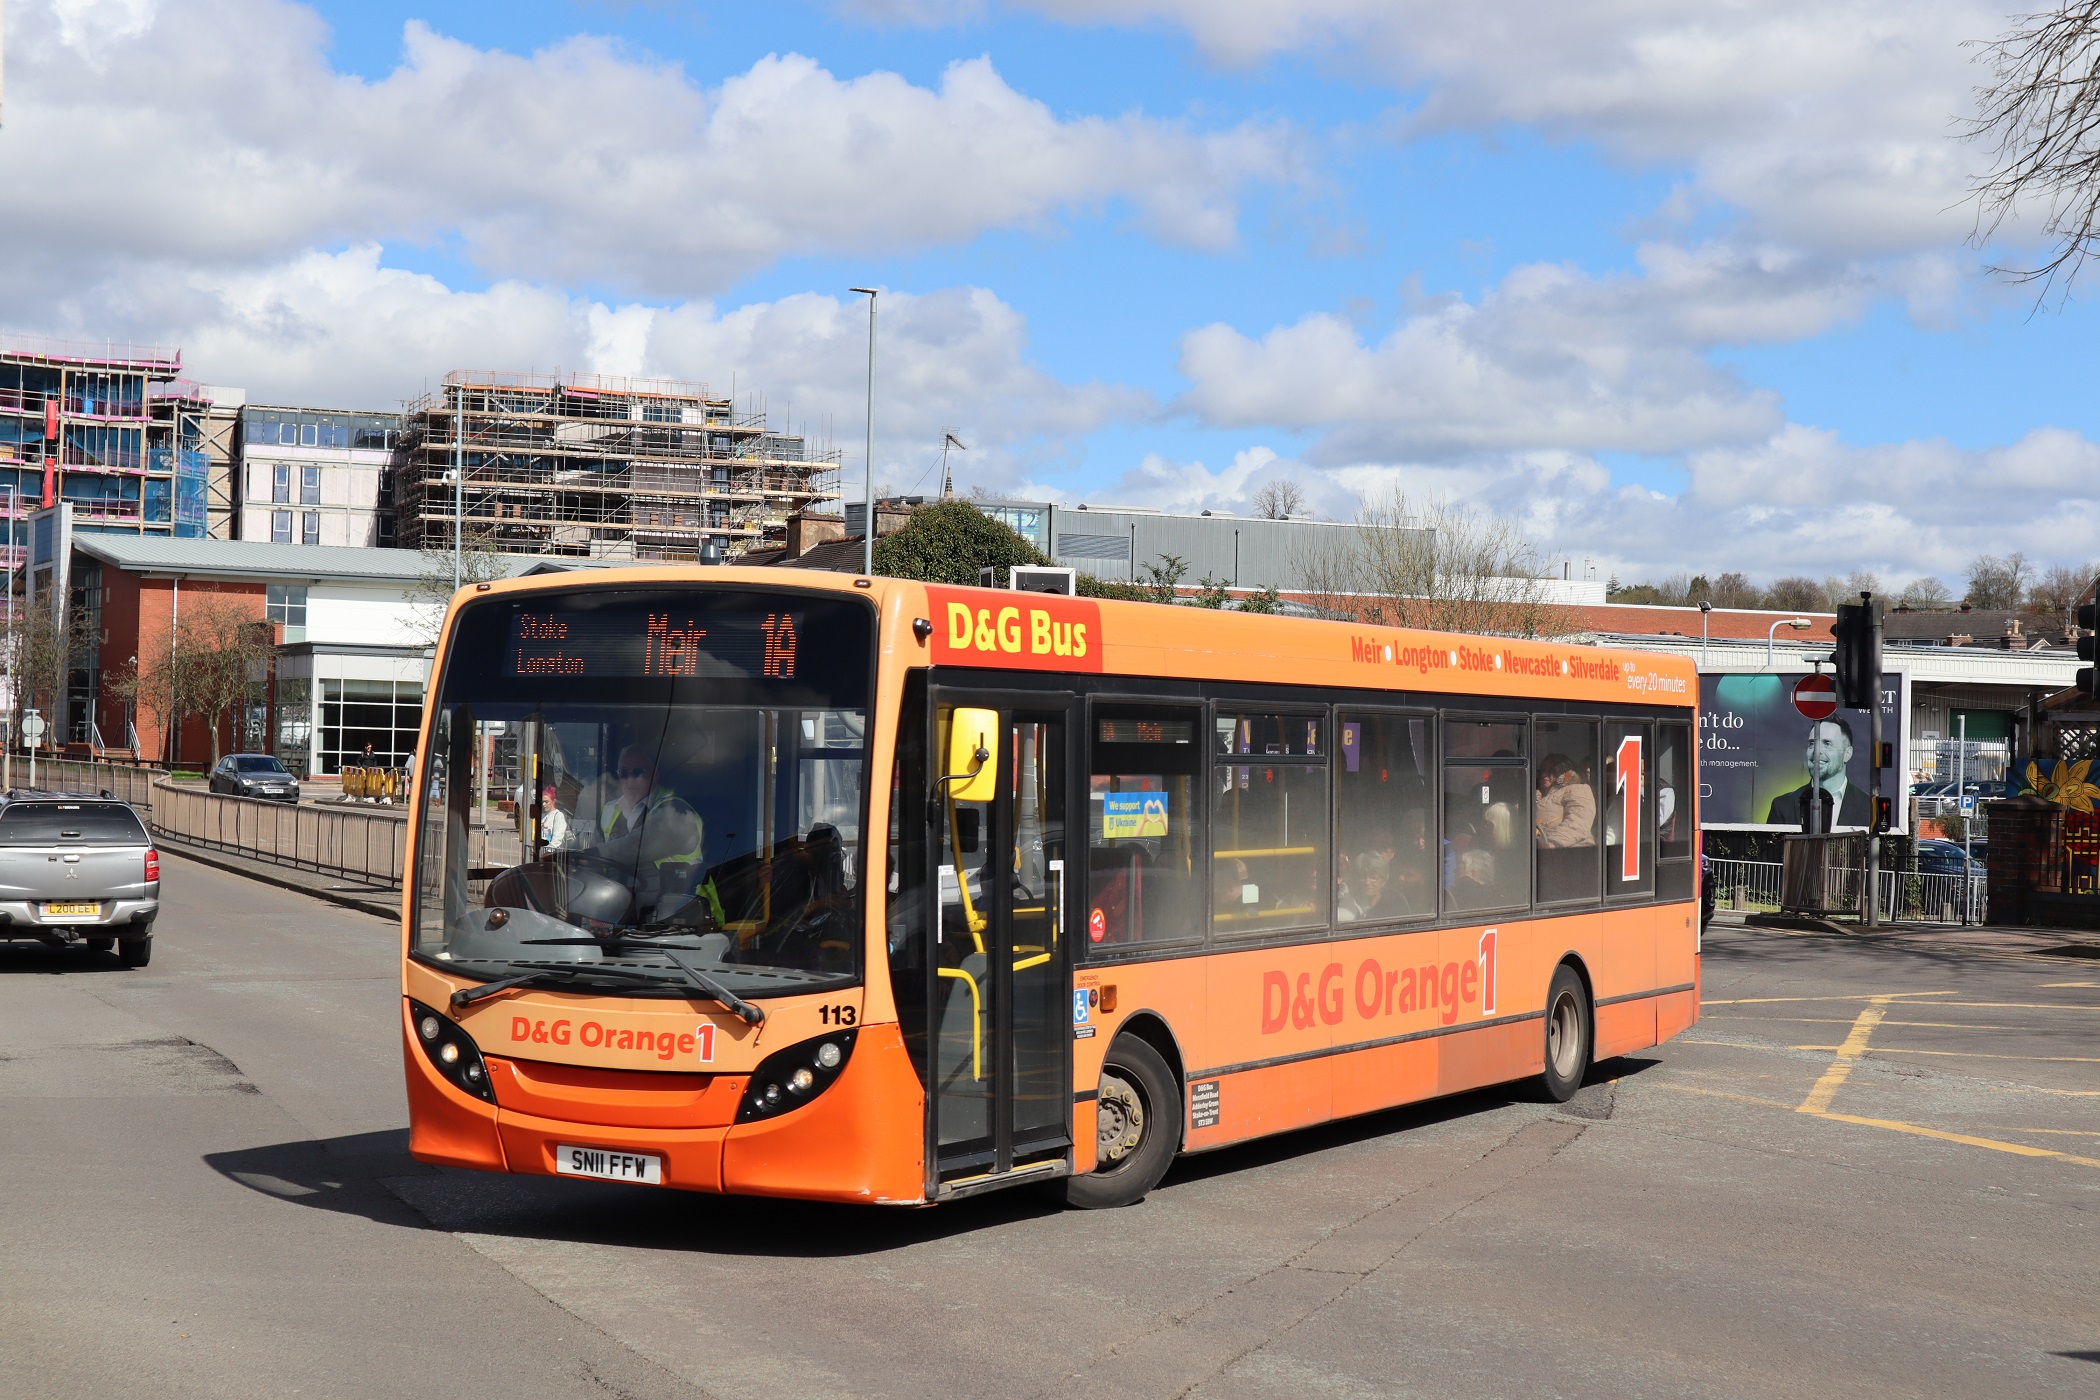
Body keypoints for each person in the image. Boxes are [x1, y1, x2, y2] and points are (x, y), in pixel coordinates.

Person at [588, 745, 705, 909]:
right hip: (617, 916)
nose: (629, 780)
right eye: (623, 773)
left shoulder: (677, 811)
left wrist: (596, 853)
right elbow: (594, 866)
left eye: (637, 772)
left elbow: (640, 845)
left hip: (677, 917)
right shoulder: (609, 810)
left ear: (654, 775)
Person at [1765, 717, 1871, 830]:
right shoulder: (1783, 806)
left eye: (1827, 743)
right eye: (1812, 743)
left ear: (1847, 754)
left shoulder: (1869, 808)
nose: (1816, 750)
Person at [1535, 754, 1597, 847]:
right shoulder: (1534, 795)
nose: (1544, 774)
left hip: (1569, 853)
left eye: (1551, 771)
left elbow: (1578, 823)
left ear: (1564, 773)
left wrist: (1552, 844)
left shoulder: (1578, 789)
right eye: (1542, 771)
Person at [537, 783, 572, 853]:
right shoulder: (543, 815)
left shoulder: (558, 815)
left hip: (552, 855)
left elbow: (557, 838)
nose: (543, 804)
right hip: (541, 852)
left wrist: (549, 852)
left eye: (546, 802)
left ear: (553, 801)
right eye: (543, 802)